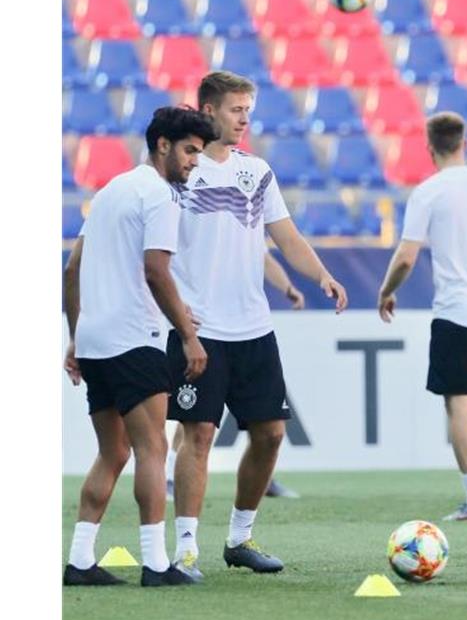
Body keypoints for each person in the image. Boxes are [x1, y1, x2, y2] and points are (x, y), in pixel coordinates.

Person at [166, 71, 348, 582]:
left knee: (269, 433)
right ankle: (184, 551)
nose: (245, 118)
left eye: (248, 109)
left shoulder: (257, 172)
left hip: (252, 327)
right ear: (207, 110)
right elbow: (154, 251)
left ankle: (240, 537)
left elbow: (286, 237)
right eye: (235, 109)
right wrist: (177, 314)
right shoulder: (180, 172)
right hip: (199, 327)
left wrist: (322, 276)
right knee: (198, 434)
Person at [63, 107, 216, 587]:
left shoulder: (109, 191)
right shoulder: (160, 197)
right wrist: (188, 336)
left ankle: (80, 558)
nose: (196, 161)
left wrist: (76, 334)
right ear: (164, 145)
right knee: (152, 450)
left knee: (113, 452)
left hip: (95, 340)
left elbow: (72, 269)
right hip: (136, 339)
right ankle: (155, 564)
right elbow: (156, 271)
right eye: (190, 150)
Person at [379, 111, 467, 522]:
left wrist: (387, 291)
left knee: (458, 406)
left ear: (430, 149)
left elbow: (406, 256)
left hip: (455, 311)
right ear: (465, 144)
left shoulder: (428, 192)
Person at [164, 251, 303, 502]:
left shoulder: (244, 218)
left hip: (244, 327)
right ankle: (170, 474)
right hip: (203, 324)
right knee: (197, 420)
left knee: (263, 424)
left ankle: (262, 479)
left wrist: (287, 286)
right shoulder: (195, 219)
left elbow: (261, 255)